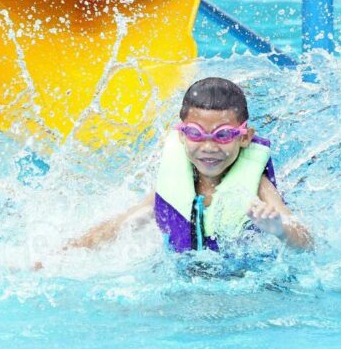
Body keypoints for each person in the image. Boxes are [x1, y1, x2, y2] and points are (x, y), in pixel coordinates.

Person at [52, 77, 313, 263]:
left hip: (244, 281)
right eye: (195, 134)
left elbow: (306, 242)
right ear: (181, 135)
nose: (209, 147)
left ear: (244, 138)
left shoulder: (257, 186)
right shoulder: (175, 182)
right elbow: (121, 225)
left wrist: (279, 229)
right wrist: (57, 257)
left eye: (223, 135)